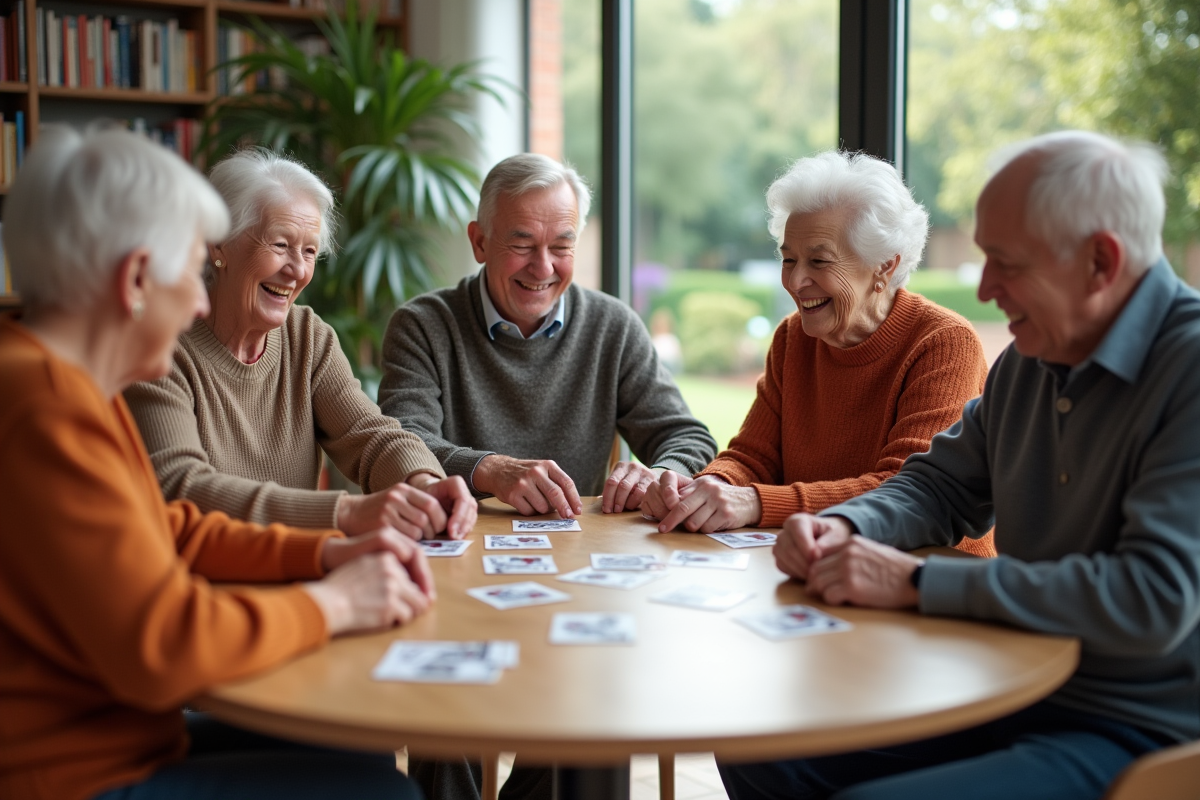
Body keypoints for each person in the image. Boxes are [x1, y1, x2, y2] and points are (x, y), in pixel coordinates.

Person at [723, 131, 1199, 800]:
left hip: (1135, 728)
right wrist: (850, 527)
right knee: (762, 744)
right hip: (1012, 680)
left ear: (1100, 262)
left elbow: (1153, 595)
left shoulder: (1188, 371)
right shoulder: (1031, 360)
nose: (983, 287)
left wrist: (919, 584)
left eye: (1006, 262)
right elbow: (939, 483)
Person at [0, 126, 433, 800]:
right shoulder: (47, 407)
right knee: (388, 794)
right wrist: (332, 605)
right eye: (191, 266)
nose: (200, 300)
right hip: (73, 774)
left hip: (127, 731)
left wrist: (321, 558)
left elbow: (168, 526)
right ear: (137, 279)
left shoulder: (68, 381)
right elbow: (164, 644)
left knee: (361, 746)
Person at [642, 151, 994, 558]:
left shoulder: (943, 343)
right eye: (788, 259)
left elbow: (907, 491)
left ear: (883, 266)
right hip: (817, 565)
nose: (795, 280)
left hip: (923, 577)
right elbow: (752, 457)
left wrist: (756, 502)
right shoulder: (794, 338)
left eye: (819, 261)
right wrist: (711, 487)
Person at [125, 148, 476, 541]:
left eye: (309, 251)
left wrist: (424, 482)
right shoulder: (161, 347)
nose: (297, 270)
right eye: (279, 245)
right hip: (205, 583)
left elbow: (369, 434)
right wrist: (344, 512)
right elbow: (181, 487)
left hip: (303, 566)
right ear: (219, 245)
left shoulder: (306, 335)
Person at [378, 153, 717, 519]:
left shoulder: (613, 327)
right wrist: (493, 471)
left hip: (579, 545)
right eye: (522, 245)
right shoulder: (422, 326)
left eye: (561, 247)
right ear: (479, 242)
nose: (543, 268)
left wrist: (662, 475)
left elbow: (688, 438)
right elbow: (404, 444)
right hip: (459, 539)